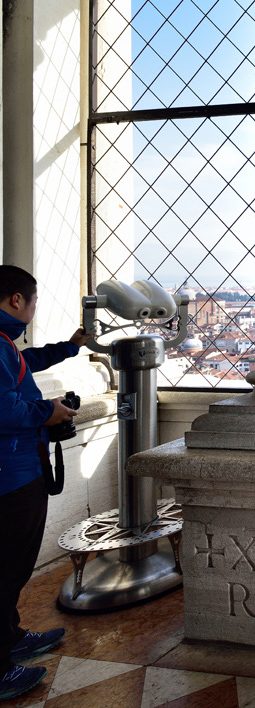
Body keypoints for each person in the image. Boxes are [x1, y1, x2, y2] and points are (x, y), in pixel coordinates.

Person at [0, 265, 90, 702]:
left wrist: (70, 348)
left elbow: (25, 362)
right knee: (6, 569)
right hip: (10, 479)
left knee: (12, 568)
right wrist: (47, 412)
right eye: (34, 301)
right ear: (17, 300)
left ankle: (12, 637)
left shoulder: (4, 344)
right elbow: (4, 409)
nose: (33, 310)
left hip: (18, 471)